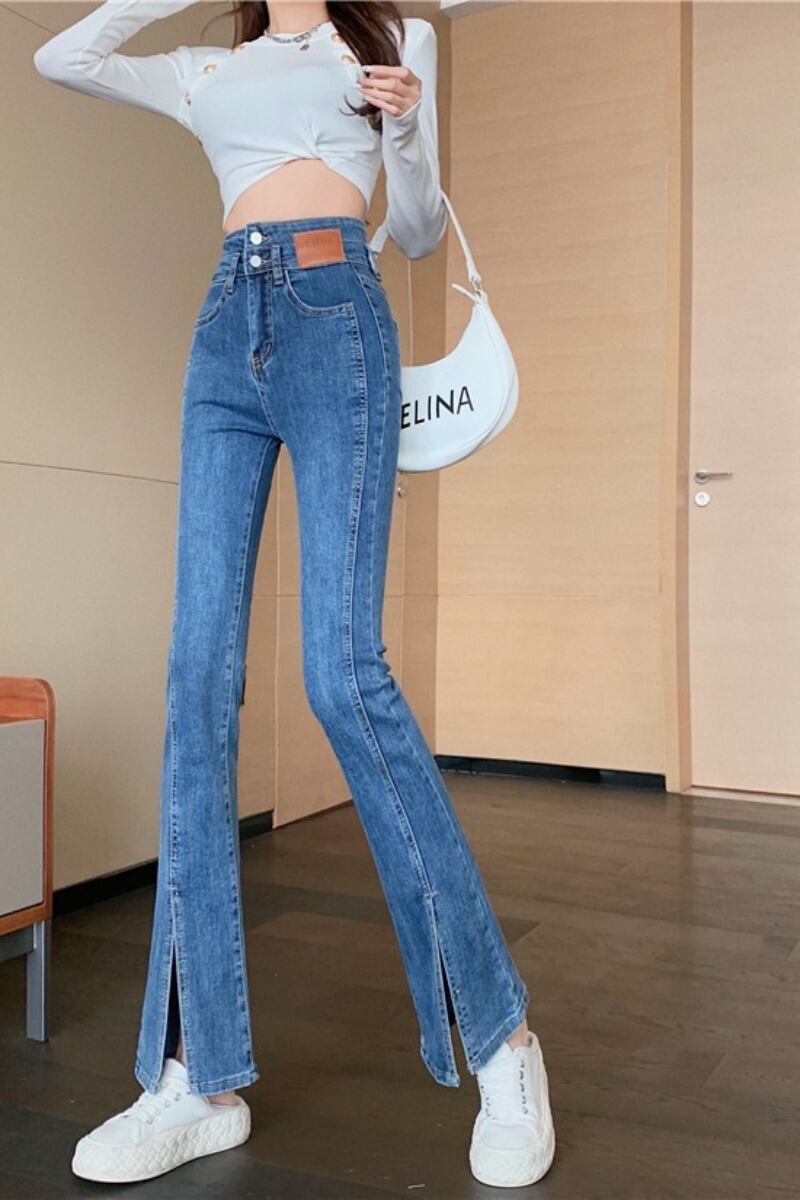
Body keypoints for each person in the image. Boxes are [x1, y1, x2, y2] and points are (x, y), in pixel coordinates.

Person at [33, 0, 555, 1187]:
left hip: (336, 317)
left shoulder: (390, 42)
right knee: (195, 682)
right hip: (227, 327)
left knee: (340, 672)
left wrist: (406, 128)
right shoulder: (203, 68)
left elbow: (413, 232)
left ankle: (502, 1040)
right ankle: (195, 1076)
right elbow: (62, 56)